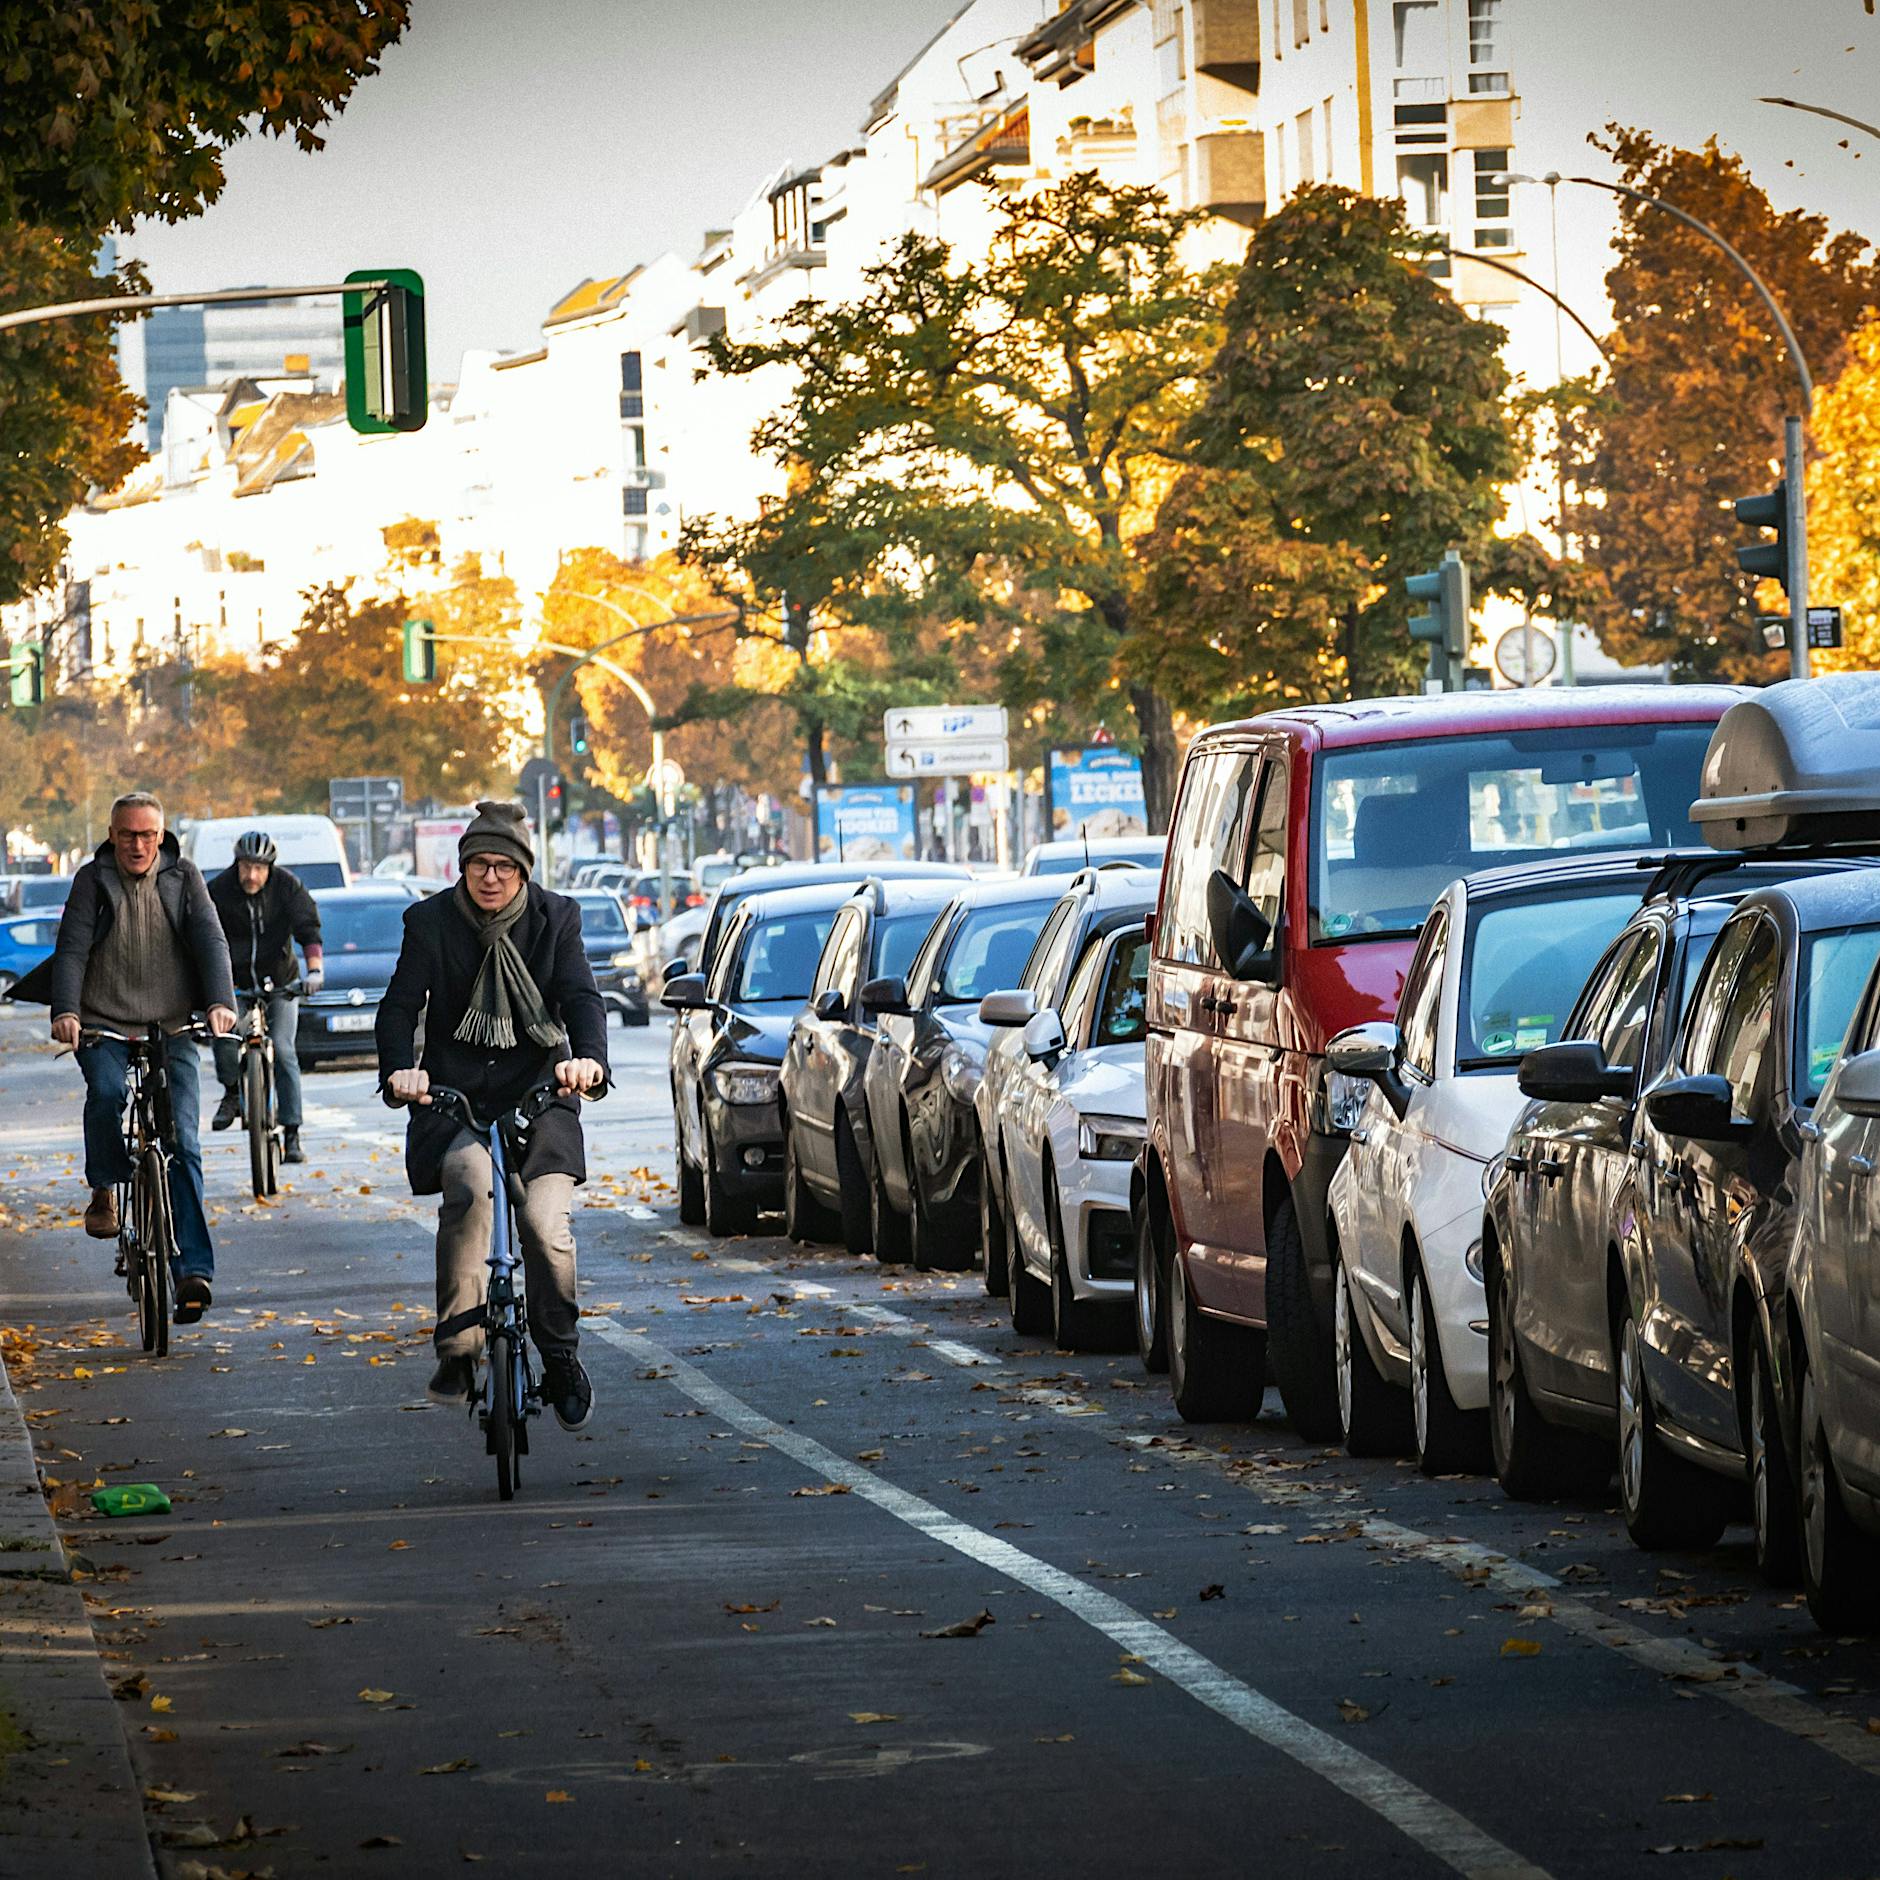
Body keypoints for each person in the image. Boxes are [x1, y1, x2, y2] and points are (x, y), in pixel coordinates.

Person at [376, 801, 608, 1428]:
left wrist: (586, 1060)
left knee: (542, 1224)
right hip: (455, 1102)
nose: (491, 878)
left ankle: (559, 1356)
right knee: (472, 1192)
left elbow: (582, 996)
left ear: (523, 872)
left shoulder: (555, 917)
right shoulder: (429, 922)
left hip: (541, 1093)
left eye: (505, 866)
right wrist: (403, 1070)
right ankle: (458, 1347)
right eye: (479, 864)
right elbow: (398, 1008)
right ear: (463, 867)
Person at [39, 792, 236, 1325]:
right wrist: (66, 1011)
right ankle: (104, 1187)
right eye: (128, 834)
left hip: (170, 1025)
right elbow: (73, 946)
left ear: (162, 836)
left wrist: (220, 1002)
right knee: (106, 1094)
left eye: (148, 835)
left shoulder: (184, 877)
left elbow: (210, 940)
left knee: (184, 1144)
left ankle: (192, 1271)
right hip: (103, 1021)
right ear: (112, 834)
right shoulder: (91, 880)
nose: (138, 844)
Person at [207, 831, 324, 1162]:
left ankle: (292, 1133)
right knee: (225, 1034)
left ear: (271, 867)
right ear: (236, 864)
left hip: (281, 981)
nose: (251, 876)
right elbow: (203, 935)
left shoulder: (288, 886)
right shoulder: (218, 891)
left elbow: (308, 929)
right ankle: (232, 1092)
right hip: (234, 983)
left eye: (259, 868)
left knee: (285, 1051)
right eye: (245, 867)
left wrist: (314, 971)